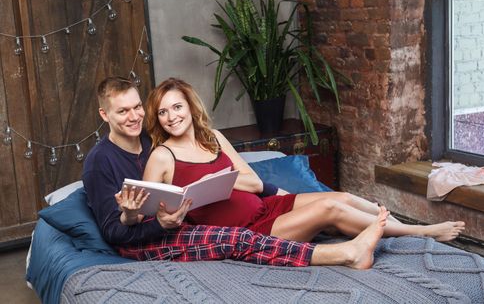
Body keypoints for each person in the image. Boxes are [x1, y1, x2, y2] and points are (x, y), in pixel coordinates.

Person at [83, 76, 389, 270]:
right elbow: (115, 231)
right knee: (237, 239)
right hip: (148, 239)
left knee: (329, 202)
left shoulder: (154, 140)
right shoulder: (100, 162)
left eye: (137, 107)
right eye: (123, 112)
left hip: (174, 223)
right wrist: (150, 222)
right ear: (104, 115)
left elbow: (238, 178)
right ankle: (344, 254)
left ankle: (377, 234)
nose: (134, 116)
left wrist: (276, 193)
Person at [143, 77, 466, 243]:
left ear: (190, 107)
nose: (172, 117)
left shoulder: (212, 137)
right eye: (163, 112)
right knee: (330, 210)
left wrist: (208, 183)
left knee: (342, 196)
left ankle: (401, 227)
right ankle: (421, 233)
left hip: (265, 207)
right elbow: (147, 211)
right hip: (248, 230)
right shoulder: (162, 156)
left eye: (177, 107)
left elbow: (254, 183)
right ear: (157, 119)